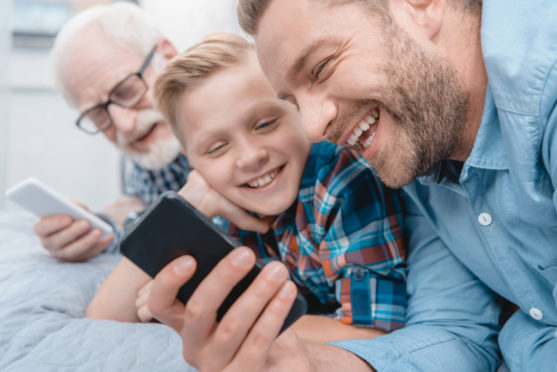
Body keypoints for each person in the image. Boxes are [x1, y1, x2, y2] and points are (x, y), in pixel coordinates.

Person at [145, 0, 557, 370]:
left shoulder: (545, 85)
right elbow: (457, 332)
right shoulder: (415, 152)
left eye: (321, 67)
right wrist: (302, 362)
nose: (311, 129)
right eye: (290, 103)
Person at [87, 34, 406, 344]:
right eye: (216, 148)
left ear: (296, 107)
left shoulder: (341, 180)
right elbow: (101, 322)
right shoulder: (215, 204)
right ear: (192, 162)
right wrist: (188, 203)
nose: (251, 157)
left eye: (265, 124)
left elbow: (371, 335)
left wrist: (219, 311)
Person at [33, 3, 191, 262]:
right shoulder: (152, 145)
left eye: (127, 91)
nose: (124, 125)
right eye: (98, 114)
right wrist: (93, 232)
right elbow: (141, 210)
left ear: (169, 56)